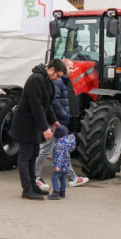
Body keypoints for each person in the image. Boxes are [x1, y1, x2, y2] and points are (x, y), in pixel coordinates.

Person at [10, 59, 65, 200]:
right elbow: (37, 106)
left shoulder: (47, 81)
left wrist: (54, 120)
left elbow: (47, 104)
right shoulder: (36, 80)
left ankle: (33, 185)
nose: (58, 79)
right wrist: (44, 127)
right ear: (52, 69)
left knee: (34, 154)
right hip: (25, 123)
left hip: (33, 124)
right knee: (25, 155)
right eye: (58, 75)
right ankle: (27, 189)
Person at [35, 58, 88, 191]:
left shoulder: (62, 82)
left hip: (58, 122)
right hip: (56, 122)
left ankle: (73, 177)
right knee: (47, 149)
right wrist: (64, 116)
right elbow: (54, 102)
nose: (72, 71)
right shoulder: (57, 82)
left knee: (62, 149)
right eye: (70, 68)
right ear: (62, 69)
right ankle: (34, 176)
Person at [48, 125, 76, 200]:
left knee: (54, 178)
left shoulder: (59, 145)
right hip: (66, 166)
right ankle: (62, 192)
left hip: (60, 166)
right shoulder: (66, 143)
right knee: (62, 179)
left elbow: (60, 156)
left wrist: (58, 165)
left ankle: (56, 193)